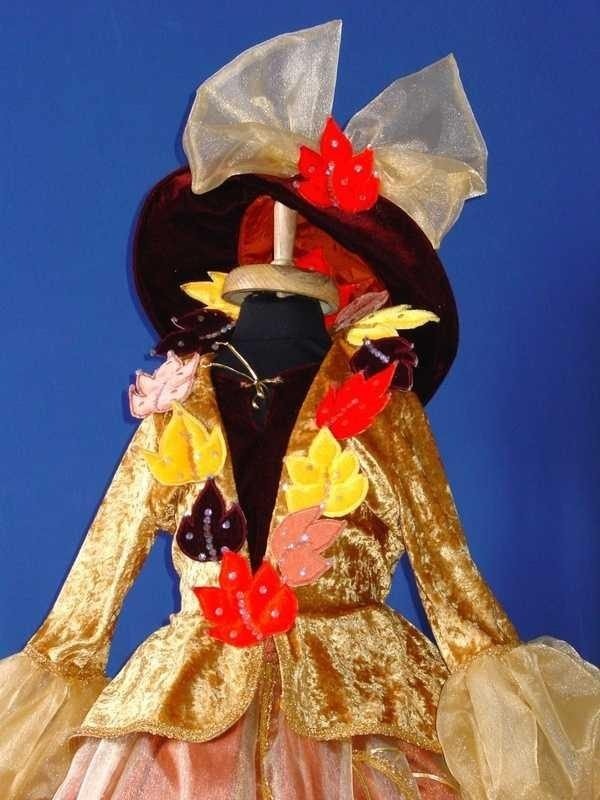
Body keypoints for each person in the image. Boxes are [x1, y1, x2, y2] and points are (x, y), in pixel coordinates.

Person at [1, 21, 598, 800]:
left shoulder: (386, 408)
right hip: (188, 726)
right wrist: (49, 683)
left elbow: (450, 575)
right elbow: (97, 578)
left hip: (362, 713)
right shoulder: (178, 406)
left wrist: (516, 722)